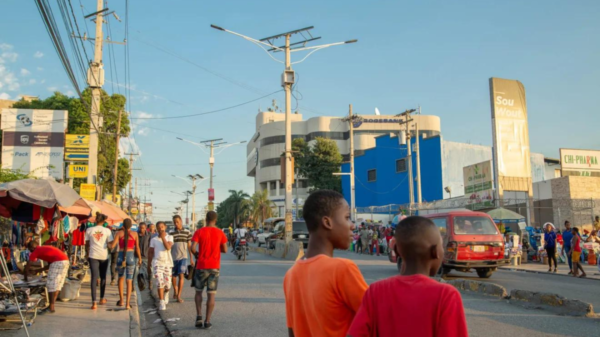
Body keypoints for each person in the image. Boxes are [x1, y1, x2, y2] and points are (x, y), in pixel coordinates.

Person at [348, 216, 468, 337]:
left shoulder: (375, 291)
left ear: (397, 250)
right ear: (435, 252)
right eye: (442, 246)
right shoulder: (446, 295)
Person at [284, 190, 367, 337]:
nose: (352, 225)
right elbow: (377, 318)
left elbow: (292, 331)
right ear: (327, 222)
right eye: (347, 218)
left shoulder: (290, 275)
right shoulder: (342, 269)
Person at [191, 211, 228, 329]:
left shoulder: (199, 232)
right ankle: (207, 321)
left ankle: (199, 316)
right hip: (214, 267)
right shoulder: (220, 233)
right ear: (216, 220)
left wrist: (197, 254)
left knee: (198, 292)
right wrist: (217, 250)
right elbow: (225, 250)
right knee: (211, 295)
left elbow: (192, 248)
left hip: (201, 266)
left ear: (206, 219)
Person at [24, 242, 69, 313]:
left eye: (30, 250)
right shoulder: (43, 249)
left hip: (58, 262)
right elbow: (49, 265)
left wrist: (25, 278)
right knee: (57, 285)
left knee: (51, 284)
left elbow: (27, 266)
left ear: (32, 248)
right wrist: (37, 270)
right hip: (65, 260)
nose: (30, 251)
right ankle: (51, 306)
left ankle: (51, 307)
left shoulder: (36, 251)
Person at [109, 219, 142, 309]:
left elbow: (113, 246)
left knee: (120, 278)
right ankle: (127, 304)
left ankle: (121, 301)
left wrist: (107, 244)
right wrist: (139, 258)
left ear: (123, 225)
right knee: (129, 280)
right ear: (131, 226)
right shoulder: (135, 234)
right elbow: (137, 248)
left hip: (120, 257)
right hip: (131, 257)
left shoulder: (119, 234)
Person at [85, 213, 114, 310]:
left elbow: (87, 244)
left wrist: (86, 254)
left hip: (93, 255)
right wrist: (111, 247)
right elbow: (110, 245)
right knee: (103, 277)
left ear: (96, 220)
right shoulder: (107, 231)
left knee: (94, 278)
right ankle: (101, 298)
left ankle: (94, 303)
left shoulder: (89, 230)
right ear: (104, 221)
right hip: (103, 256)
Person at [148, 221, 174, 311]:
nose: (160, 229)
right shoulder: (153, 240)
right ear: (156, 228)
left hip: (167, 263)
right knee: (160, 282)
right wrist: (149, 265)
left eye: (162, 227)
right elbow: (150, 252)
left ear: (165, 227)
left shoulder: (169, 237)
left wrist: (163, 238)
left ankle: (166, 293)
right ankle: (162, 301)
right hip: (157, 263)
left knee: (168, 285)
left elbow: (168, 247)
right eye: (158, 227)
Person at [169, 215, 193, 303]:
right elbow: (169, 245)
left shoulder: (187, 232)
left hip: (183, 257)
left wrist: (191, 258)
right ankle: (175, 289)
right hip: (173, 258)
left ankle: (179, 295)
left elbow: (189, 246)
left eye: (177, 222)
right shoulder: (171, 233)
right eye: (174, 222)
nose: (176, 224)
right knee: (173, 276)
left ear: (181, 221)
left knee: (181, 275)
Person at [138, 222, 152, 290]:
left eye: (143, 228)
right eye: (140, 228)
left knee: (148, 271)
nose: (141, 229)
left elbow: (151, 246)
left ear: (146, 228)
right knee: (138, 272)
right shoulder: (137, 234)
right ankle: (141, 284)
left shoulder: (149, 235)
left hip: (146, 256)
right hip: (138, 256)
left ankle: (150, 283)